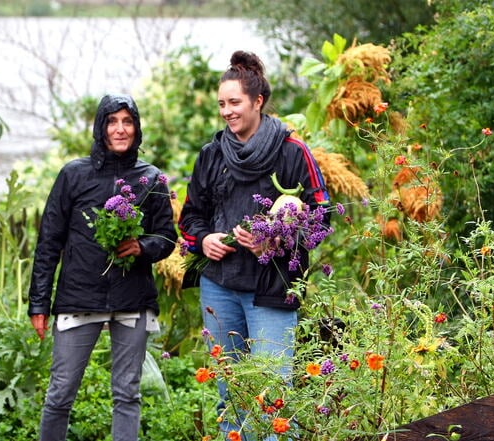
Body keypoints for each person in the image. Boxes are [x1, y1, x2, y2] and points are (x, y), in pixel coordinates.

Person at [179, 51, 329, 439]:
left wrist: (277, 239)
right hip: (220, 288)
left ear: (257, 101)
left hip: (272, 290)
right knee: (230, 394)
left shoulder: (292, 151)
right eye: (222, 104)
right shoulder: (212, 155)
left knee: (272, 396)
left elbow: (322, 215)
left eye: (235, 103)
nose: (227, 112)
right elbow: (190, 217)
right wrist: (205, 240)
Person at [28, 94, 177, 441]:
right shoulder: (73, 174)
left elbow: (167, 238)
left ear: (137, 128)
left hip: (132, 298)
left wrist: (142, 246)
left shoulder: (151, 178)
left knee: (127, 393)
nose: (120, 129)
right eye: (113, 122)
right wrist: (38, 302)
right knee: (60, 393)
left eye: (128, 122)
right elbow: (49, 241)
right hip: (78, 298)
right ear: (100, 127)